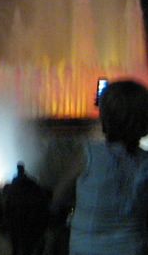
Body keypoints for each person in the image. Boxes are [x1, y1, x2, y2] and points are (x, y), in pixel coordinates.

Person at [58, 79, 148, 255]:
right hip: (133, 247)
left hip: (87, 247)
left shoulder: (89, 154)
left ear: (104, 117)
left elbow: (59, 196)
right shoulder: (145, 162)